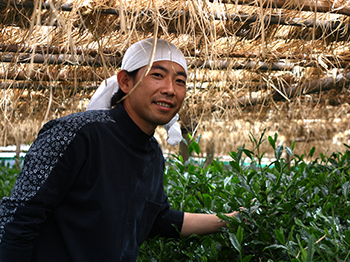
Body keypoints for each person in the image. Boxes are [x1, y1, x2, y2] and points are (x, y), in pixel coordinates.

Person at [0, 38, 238, 261]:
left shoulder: (153, 154)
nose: (170, 89)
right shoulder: (76, 134)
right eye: (157, 75)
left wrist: (232, 220)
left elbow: (159, 220)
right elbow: (17, 219)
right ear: (125, 81)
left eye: (180, 81)